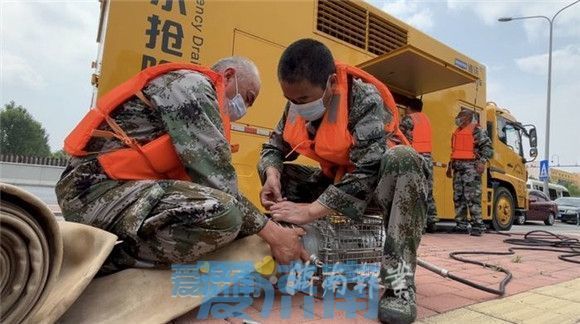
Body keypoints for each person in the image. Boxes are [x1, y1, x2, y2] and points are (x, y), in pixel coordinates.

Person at [56, 57, 308, 272]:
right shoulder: (192, 86)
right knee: (224, 214)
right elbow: (220, 186)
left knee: (224, 212)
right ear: (229, 76)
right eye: (248, 98)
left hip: (112, 189)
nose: (245, 109)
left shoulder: (195, 93)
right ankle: (106, 262)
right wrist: (275, 234)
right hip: (92, 192)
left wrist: (265, 229)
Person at [258, 39, 427, 324]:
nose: (296, 106)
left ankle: (400, 286)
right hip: (334, 181)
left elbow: (369, 170)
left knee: (404, 159)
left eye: (302, 100)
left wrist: (311, 210)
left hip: (376, 187)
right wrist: (271, 175)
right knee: (283, 172)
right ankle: (297, 252)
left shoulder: (363, 99)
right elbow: (272, 148)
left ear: (331, 82)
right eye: (290, 99)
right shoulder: (295, 105)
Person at [446, 109, 493, 236]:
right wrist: (450, 167)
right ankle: (461, 225)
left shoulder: (477, 130)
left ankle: (477, 225)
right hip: (458, 169)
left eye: (460, 116)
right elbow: (455, 152)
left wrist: (482, 162)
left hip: (471, 169)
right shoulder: (457, 132)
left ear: (467, 117)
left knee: (472, 197)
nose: (457, 118)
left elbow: (488, 148)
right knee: (458, 197)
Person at [400, 98, 438, 233]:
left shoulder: (408, 119)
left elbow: (399, 135)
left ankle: (419, 225)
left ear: (409, 107)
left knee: (415, 190)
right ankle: (432, 221)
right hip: (427, 158)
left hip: (415, 157)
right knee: (428, 190)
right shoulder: (426, 120)